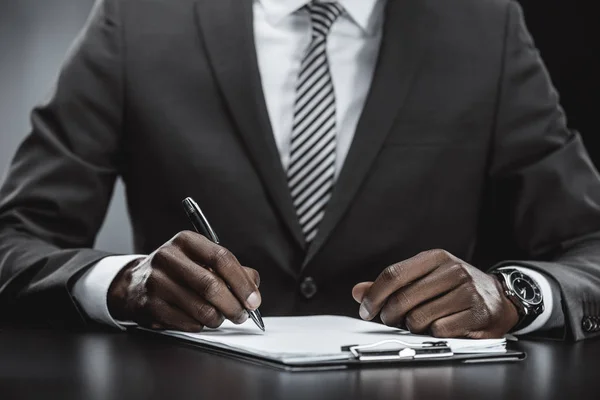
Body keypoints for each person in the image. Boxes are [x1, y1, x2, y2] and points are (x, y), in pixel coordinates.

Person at [1, 0, 599, 341]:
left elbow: (590, 247)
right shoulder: (137, 20)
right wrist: (124, 283)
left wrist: (514, 294)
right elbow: (15, 241)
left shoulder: (485, 28)